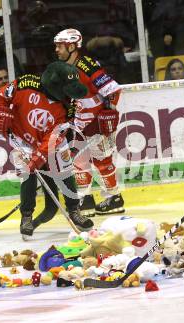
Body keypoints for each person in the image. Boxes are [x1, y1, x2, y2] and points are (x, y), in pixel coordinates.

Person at [0, 61, 94, 237]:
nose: (69, 95)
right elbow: (2, 95)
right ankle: (26, 216)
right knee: (27, 173)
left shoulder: (68, 106)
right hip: (22, 138)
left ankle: (74, 210)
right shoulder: (24, 84)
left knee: (65, 169)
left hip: (51, 140)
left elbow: (57, 134)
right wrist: (1, 111)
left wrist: (40, 156)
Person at [54, 28, 124, 217]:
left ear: (71, 46)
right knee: (78, 161)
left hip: (95, 122)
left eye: (60, 46)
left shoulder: (87, 65)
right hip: (78, 123)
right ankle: (85, 199)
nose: (57, 50)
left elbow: (113, 90)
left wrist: (108, 113)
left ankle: (114, 197)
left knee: (102, 160)